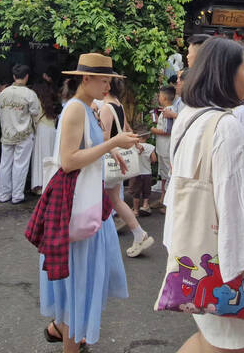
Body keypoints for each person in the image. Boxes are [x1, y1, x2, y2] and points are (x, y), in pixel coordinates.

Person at [165, 37, 244, 352]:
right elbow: (237, 221)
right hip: (221, 264)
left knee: (212, 341)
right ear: (225, 73)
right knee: (230, 346)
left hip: (189, 253)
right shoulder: (227, 126)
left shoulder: (188, 116)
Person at [30, 53, 138, 351]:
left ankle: (62, 329)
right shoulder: (77, 109)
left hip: (87, 202)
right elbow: (68, 161)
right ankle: (68, 336)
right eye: (104, 80)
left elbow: (84, 147)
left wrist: (108, 151)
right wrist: (113, 143)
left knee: (82, 281)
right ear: (86, 79)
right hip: (77, 204)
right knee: (79, 282)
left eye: (109, 80)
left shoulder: (88, 107)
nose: (107, 86)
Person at [98, 78, 155, 257]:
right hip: (117, 158)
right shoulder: (118, 105)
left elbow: (105, 137)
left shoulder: (106, 107)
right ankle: (139, 234)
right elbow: (123, 129)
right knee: (115, 200)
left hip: (108, 159)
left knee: (105, 201)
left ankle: (104, 242)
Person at [0, 64, 41, 204]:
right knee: (20, 165)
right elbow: (36, 112)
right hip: (24, 134)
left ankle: (3, 194)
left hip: (6, 133)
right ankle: (17, 195)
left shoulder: (4, 93)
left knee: (5, 164)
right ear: (27, 76)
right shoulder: (30, 94)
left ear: (14, 76)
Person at [30, 79, 61, 195]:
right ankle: (50, 184)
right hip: (51, 130)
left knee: (40, 158)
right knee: (50, 157)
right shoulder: (49, 101)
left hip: (41, 131)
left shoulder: (36, 100)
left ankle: (39, 185)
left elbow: (34, 116)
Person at [151, 85, 176, 212]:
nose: (158, 97)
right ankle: (162, 198)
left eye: (160, 95)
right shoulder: (166, 110)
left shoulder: (169, 111)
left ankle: (167, 203)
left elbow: (168, 131)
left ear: (165, 97)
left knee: (168, 174)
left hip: (166, 148)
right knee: (163, 174)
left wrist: (153, 130)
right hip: (162, 147)